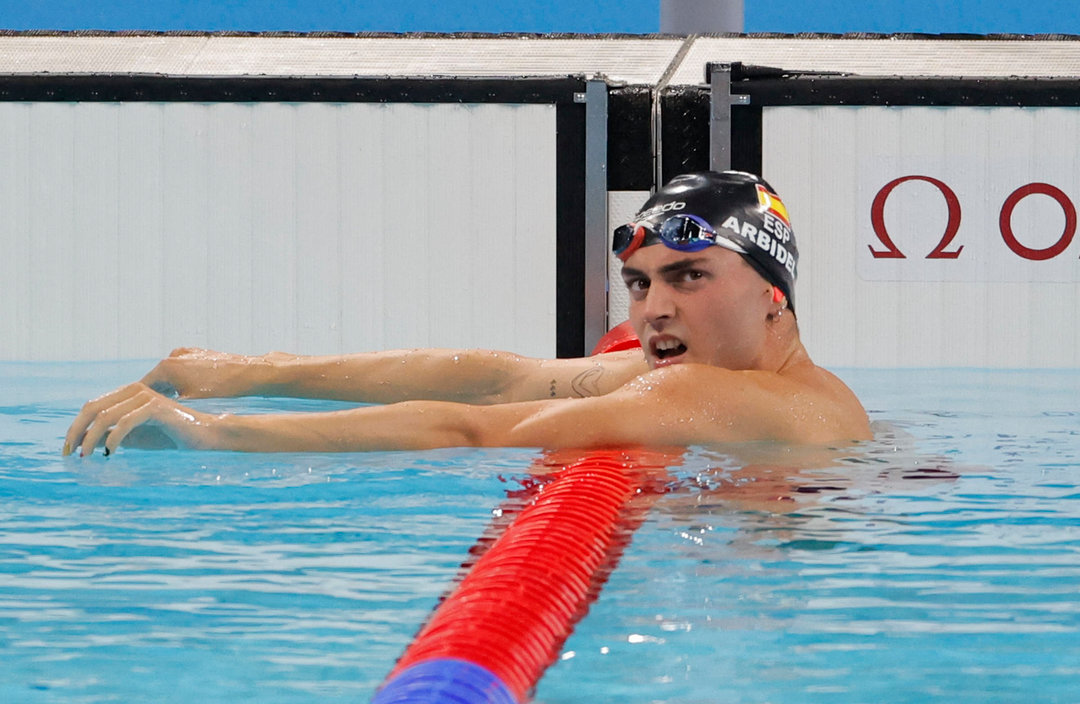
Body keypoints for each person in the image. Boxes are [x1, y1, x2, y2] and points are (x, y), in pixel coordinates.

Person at [64, 170, 871, 457]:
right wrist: (246, 375)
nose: (653, 308)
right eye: (637, 282)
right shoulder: (724, 377)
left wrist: (219, 434)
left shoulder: (709, 394)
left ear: (774, 295)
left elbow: (474, 431)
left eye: (688, 277)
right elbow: (501, 381)